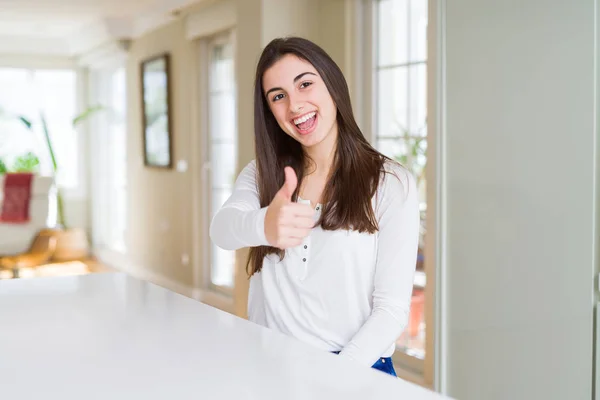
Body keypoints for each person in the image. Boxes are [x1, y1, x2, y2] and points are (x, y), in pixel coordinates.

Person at [210, 36, 420, 377]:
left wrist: (333, 378)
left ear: (332, 84)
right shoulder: (263, 175)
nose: (294, 105)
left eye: (305, 84)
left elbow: (391, 310)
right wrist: (264, 224)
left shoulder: (391, 183)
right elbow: (222, 231)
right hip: (271, 368)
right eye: (278, 96)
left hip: (356, 371)